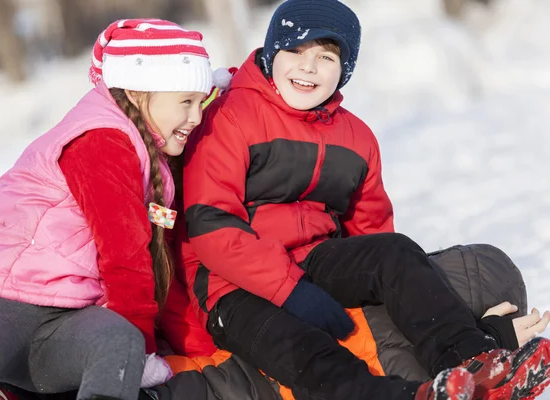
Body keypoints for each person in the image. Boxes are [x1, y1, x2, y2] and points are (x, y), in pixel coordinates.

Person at [179, 1, 550, 399]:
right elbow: (212, 225)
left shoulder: (355, 138)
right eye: (295, 51)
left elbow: (371, 233)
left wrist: (393, 291)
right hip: (229, 285)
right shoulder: (229, 117)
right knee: (306, 347)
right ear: (271, 54)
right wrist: (290, 290)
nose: (308, 67)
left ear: (345, 70)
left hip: (311, 262)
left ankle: (474, 362)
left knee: (395, 253)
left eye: (325, 56)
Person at [0, 18, 214, 400]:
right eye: (185, 102)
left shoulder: (153, 161)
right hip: (5, 303)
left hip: (65, 323)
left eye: (200, 102)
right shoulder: (102, 141)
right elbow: (125, 255)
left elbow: (162, 261)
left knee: (121, 343)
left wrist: (163, 344)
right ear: (139, 93)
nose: (196, 116)